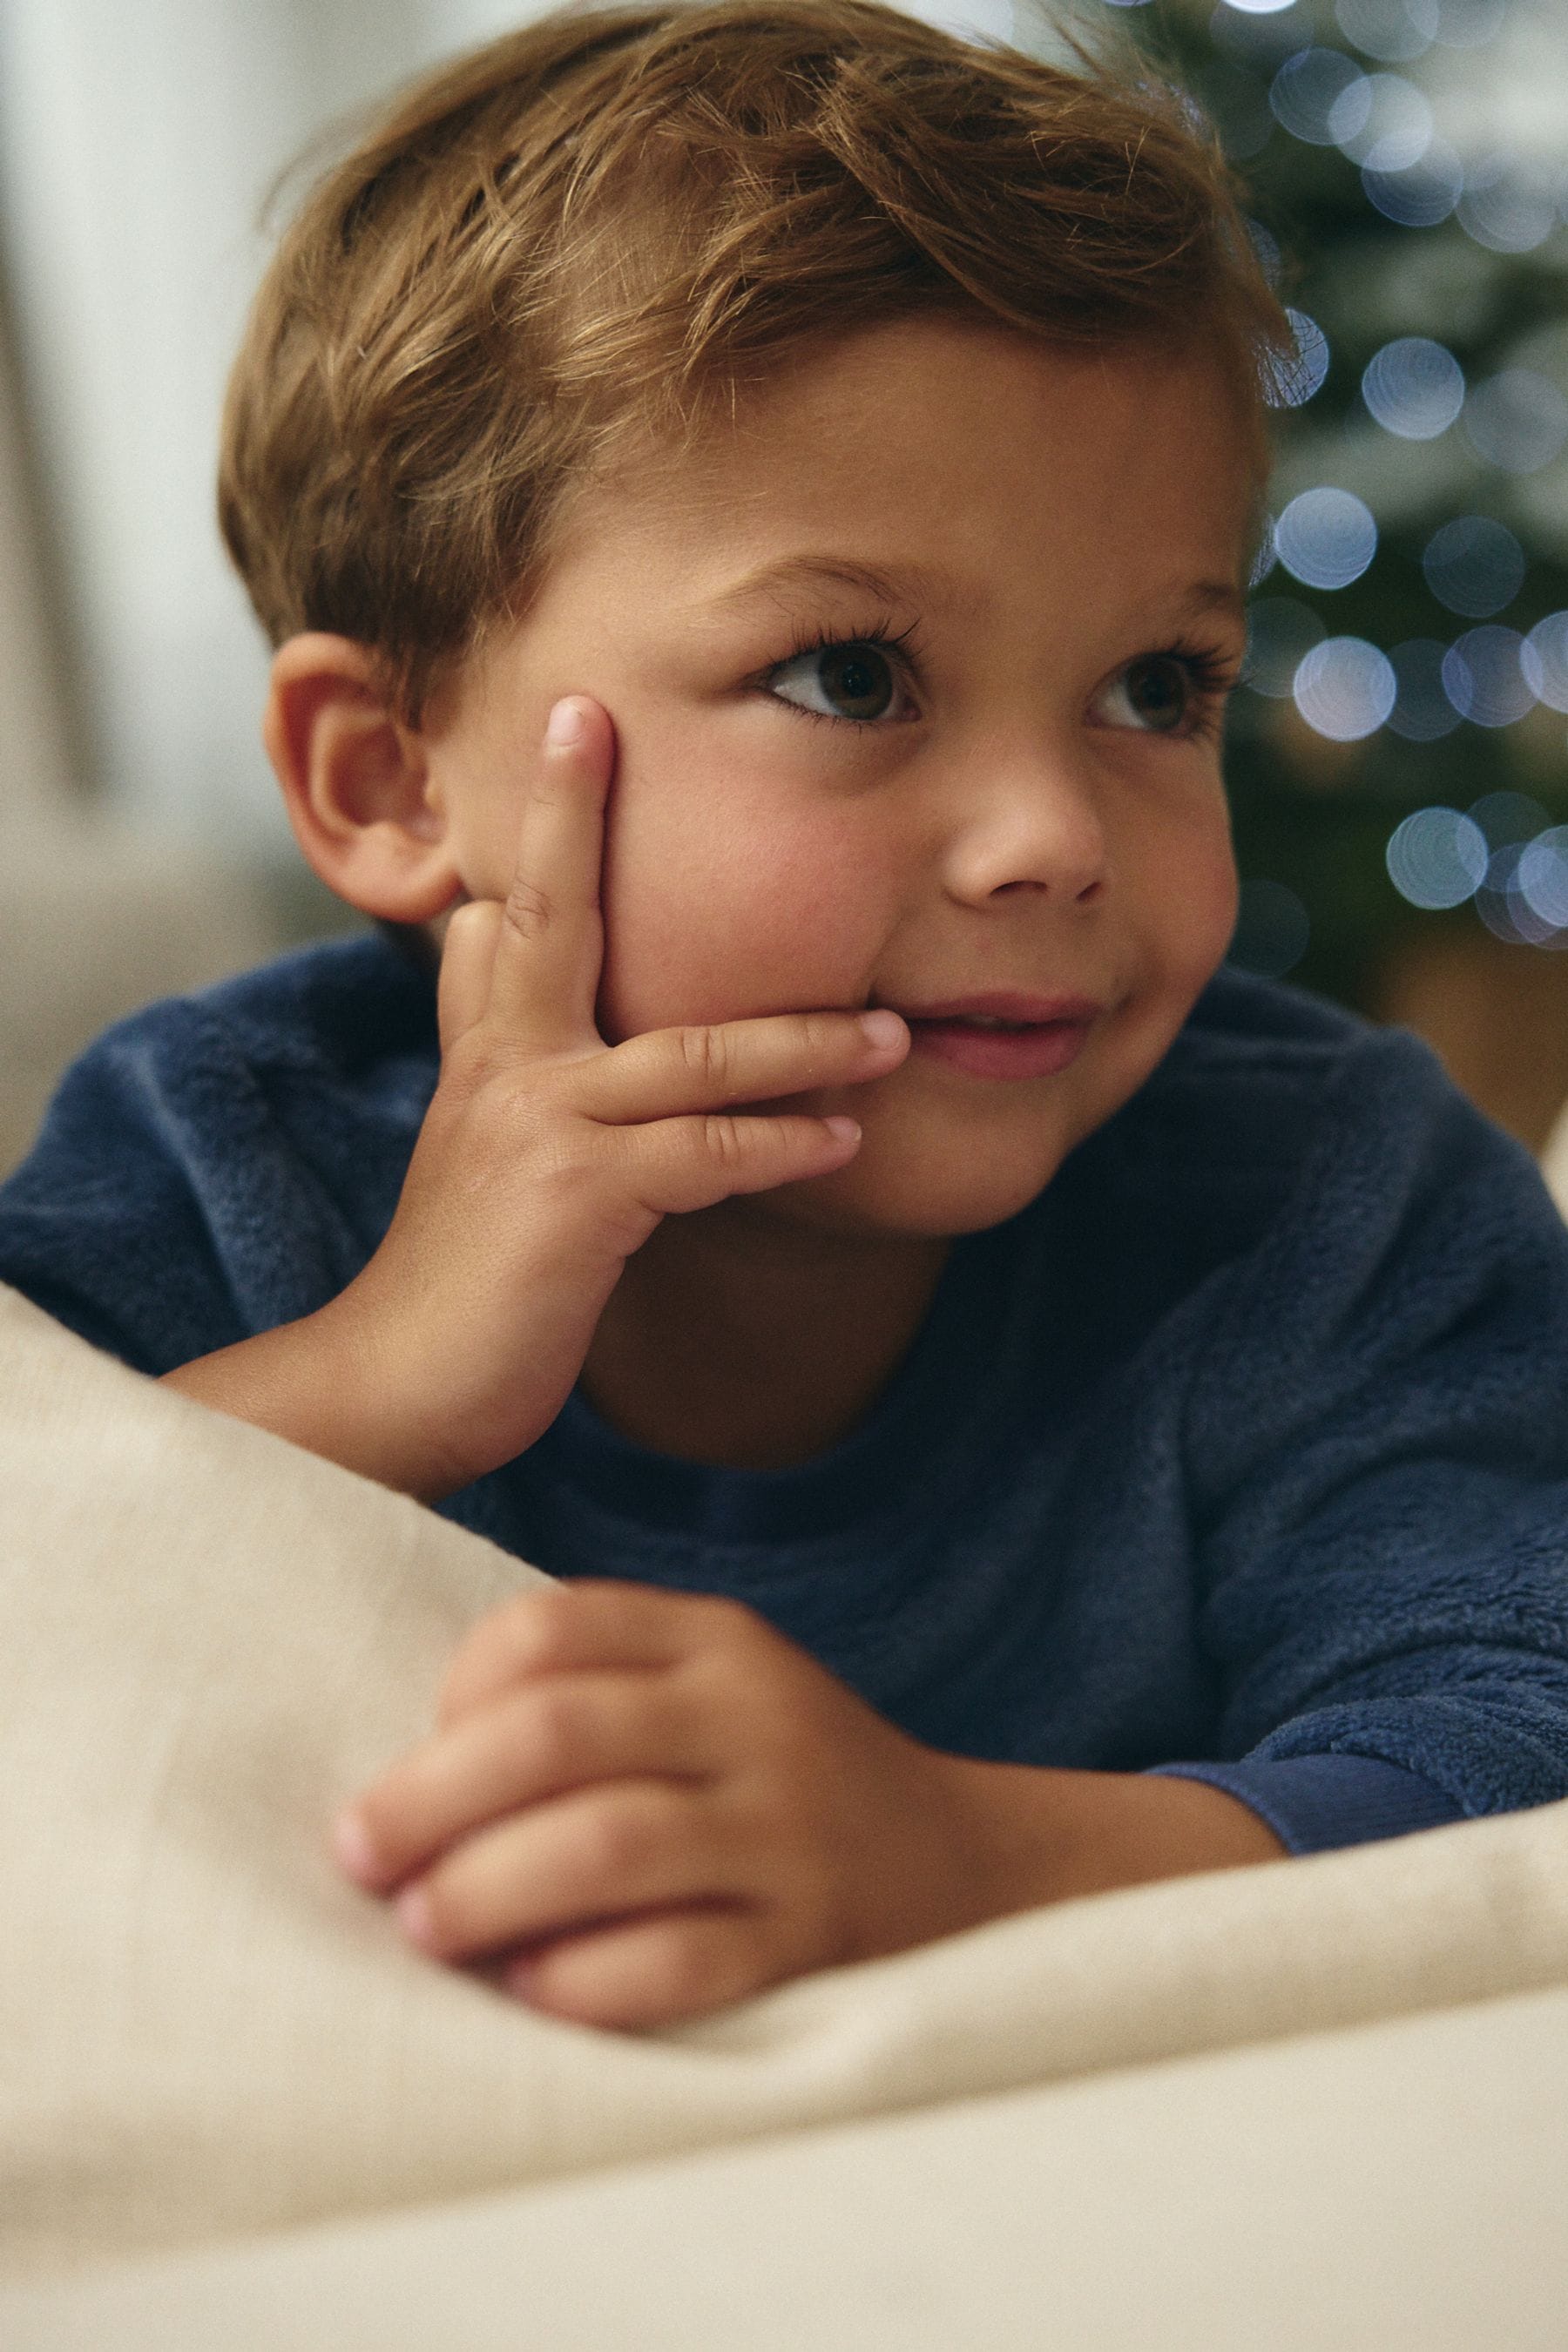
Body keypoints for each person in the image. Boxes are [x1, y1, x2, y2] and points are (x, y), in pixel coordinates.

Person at [3, 0, 1567, 2033]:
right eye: (852, 677)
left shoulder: (1332, 1198)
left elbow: (1513, 1748)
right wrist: (372, 1382)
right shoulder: (222, 1154)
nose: (1047, 840)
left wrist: (966, 1863)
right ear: (388, 778)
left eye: (1157, 687)